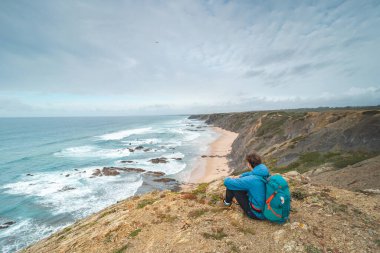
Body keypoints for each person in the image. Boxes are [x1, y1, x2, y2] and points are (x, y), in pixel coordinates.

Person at [223, 152, 270, 220]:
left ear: (249, 164)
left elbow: (227, 182)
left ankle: (227, 203)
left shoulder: (251, 180)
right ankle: (227, 202)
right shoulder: (263, 171)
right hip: (266, 207)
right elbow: (251, 173)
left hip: (257, 213)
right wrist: (240, 176)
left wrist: (229, 178)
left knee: (232, 186)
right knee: (238, 186)